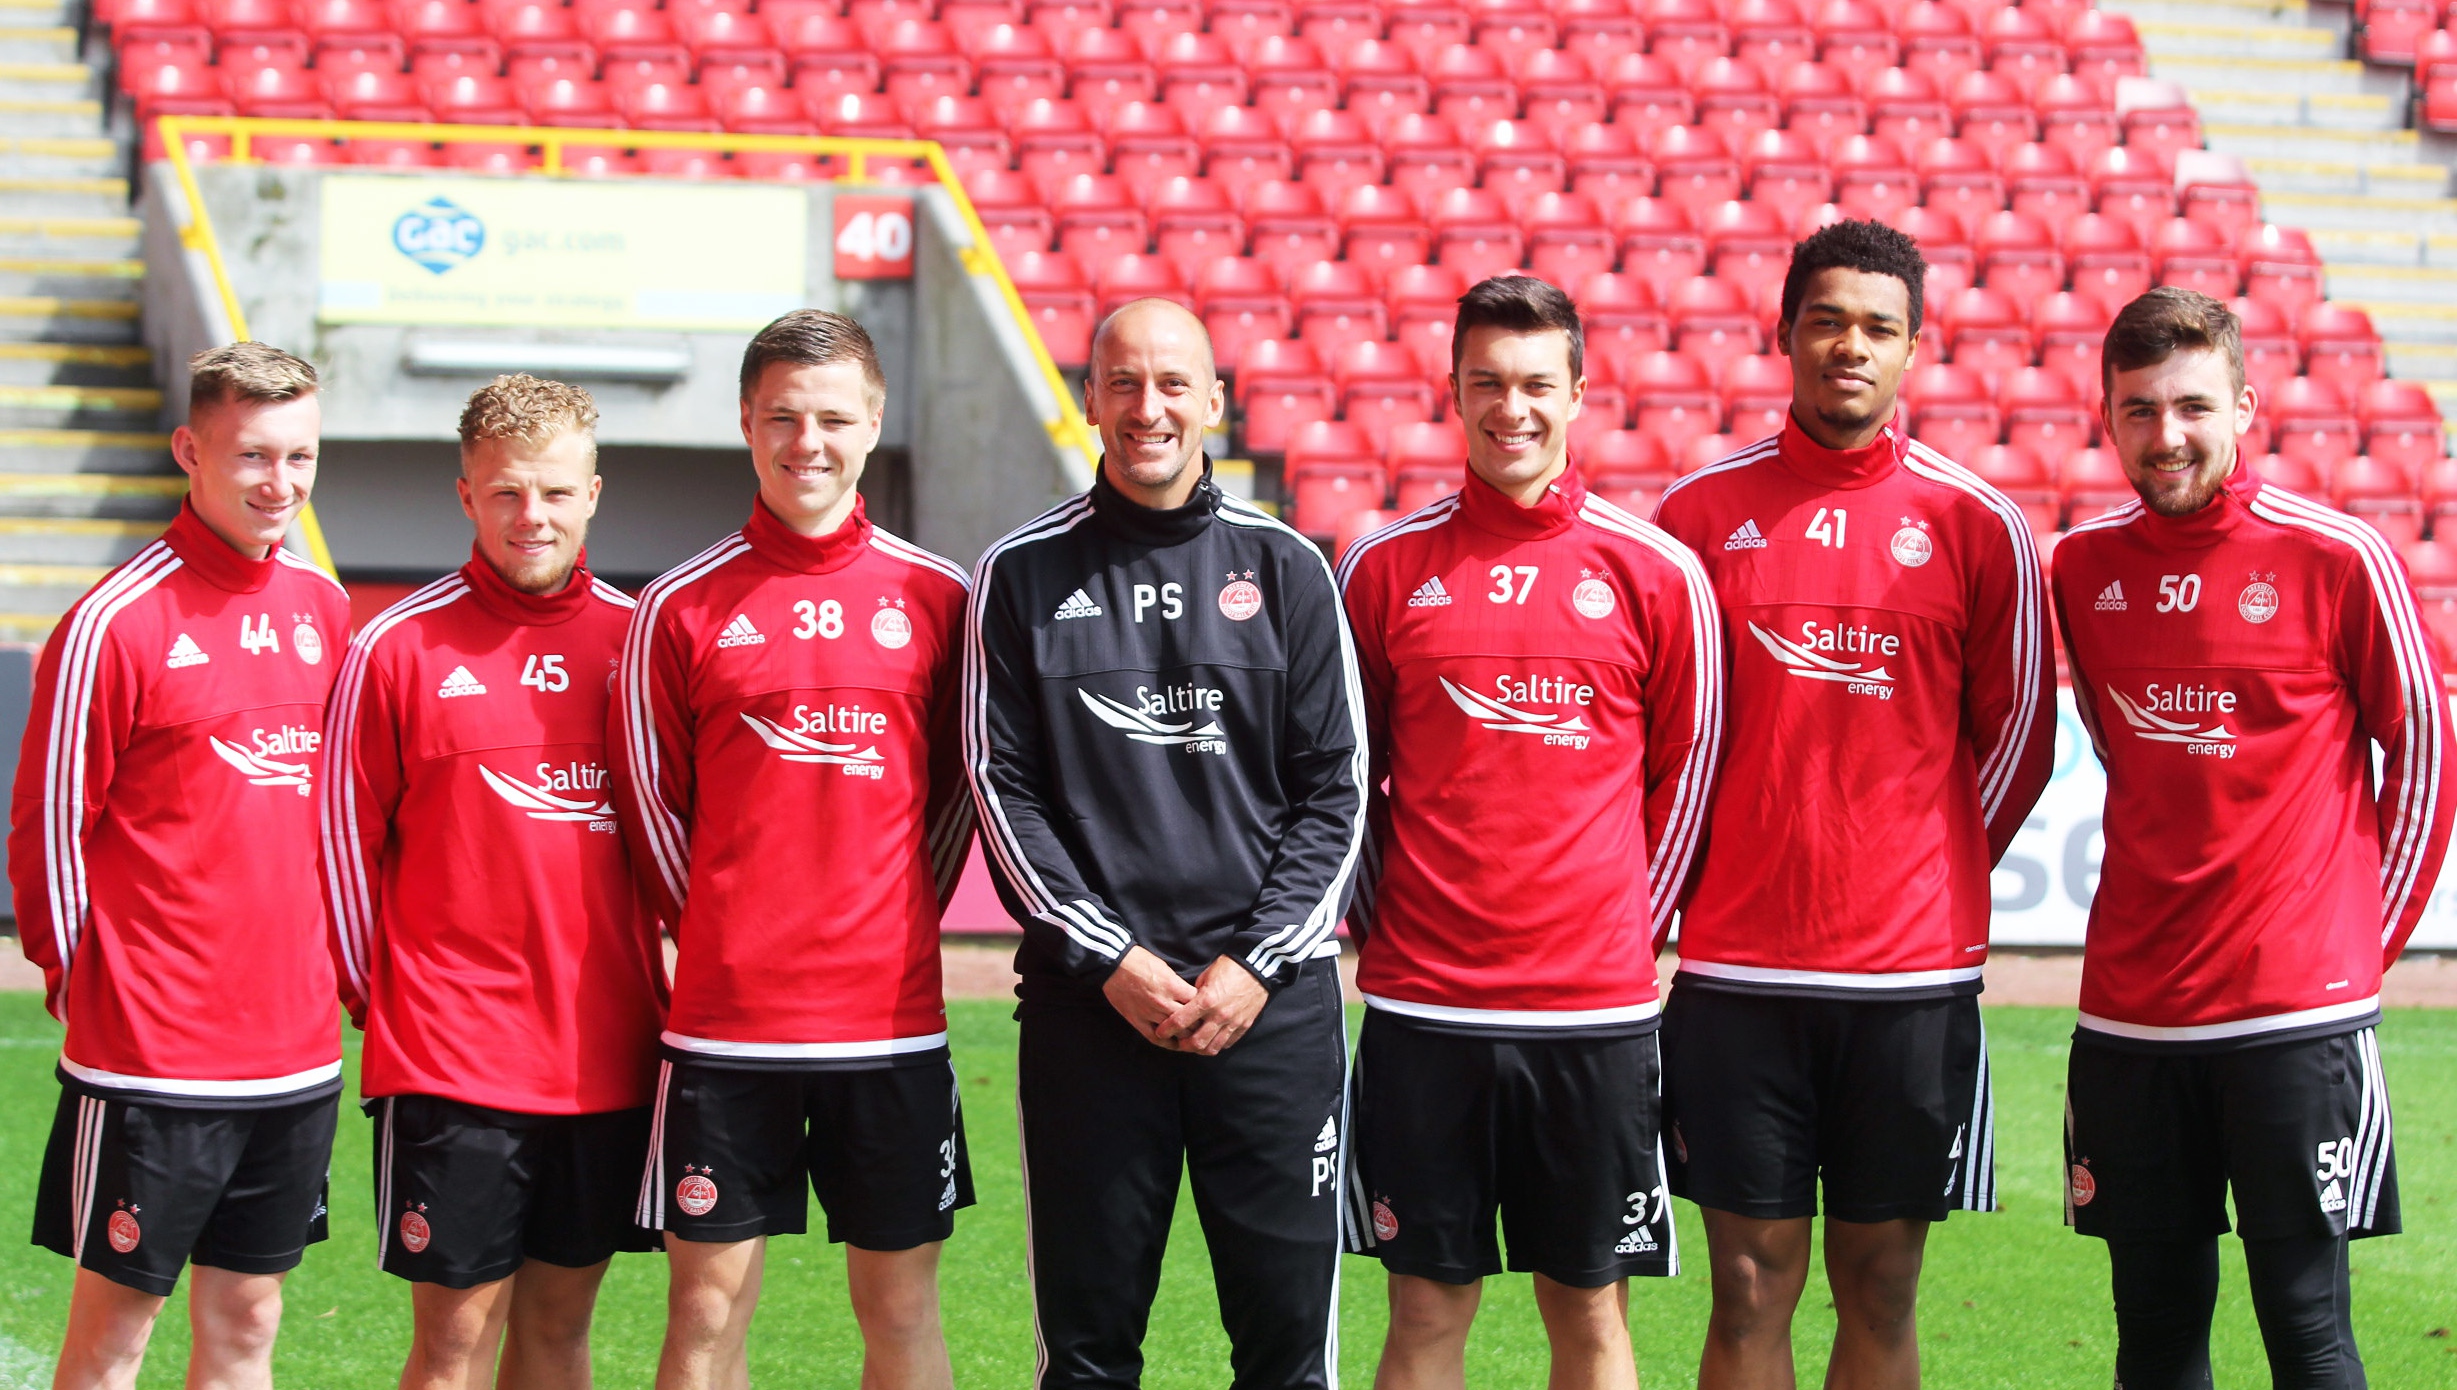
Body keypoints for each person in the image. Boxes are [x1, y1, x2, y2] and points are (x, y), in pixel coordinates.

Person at [1651, 220, 2055, 1389]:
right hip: (1740, 972)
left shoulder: (1979, 523)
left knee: (1881, 1284)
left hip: (1910, 981)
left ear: (1914, 348)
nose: (1850, 346)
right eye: (1826, 321)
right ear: (1784, 333)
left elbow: (2021, 739)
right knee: (1746, 1286)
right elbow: (1659, 740)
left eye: (1879, 327)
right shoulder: (1695, 516)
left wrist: (1922, 866)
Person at [2051, 288, 2453, 1390]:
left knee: (2308, 1336)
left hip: (2293, 1018)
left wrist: (2358, 949)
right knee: (2154, 1342)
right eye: (2139, 409)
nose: (2167, 435)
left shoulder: (2337, 556)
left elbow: (2426, 753)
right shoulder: (2080, 569)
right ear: (2107, 415)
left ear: (2244, 406)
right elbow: (2126, 752)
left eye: (2192, 406)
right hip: (2131, 1016)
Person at [964, 298, 1366, 1390]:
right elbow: (1003, 791)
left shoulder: (1287, 568)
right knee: (1087, 1361)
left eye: (1174, 383)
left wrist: (1254, 966)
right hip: (1091, 1015)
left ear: (1214, 402)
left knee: (1288, 1362)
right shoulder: (1020, 573)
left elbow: (1336, 793)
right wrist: (1112, 957)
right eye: (1125, 383)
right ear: (1090, 400)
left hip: (1269, 1017)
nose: (1149, 408)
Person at [1335, 275, 1724, 1390]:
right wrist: (1389, 922)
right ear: (1453, 392)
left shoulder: (1656, 572)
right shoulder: (1382, 569)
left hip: (1591, 1016)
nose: (1512, 408)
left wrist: (1621, 930)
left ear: (1579, 393)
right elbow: (1345, 784)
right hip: (1426, 1010)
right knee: (1424, 1315)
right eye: (1488, 383)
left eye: (1537, 384)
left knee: (1590, 1313)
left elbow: (1689, 775)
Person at [609, 310, 975, 1390]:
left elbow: (958, 799)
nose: (806, 442)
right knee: (705, 1310)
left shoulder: (939, 598)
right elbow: (652, 808)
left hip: (889, 1023)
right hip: (728, 1024)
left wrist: (892, 912)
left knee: (901, 1308)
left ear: (874, 421)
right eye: (781, 418)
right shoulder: (677, 605)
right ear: (745, 422)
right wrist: (728, 930)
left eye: (831, 418)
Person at [9, 341, 352, 1390]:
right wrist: (85, 984)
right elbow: (48, 829)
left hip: (294, 1051)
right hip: (154, 1055)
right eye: (252, 455)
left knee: (249, 1320)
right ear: (189, 451)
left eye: (300, 456)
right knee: (116, 1332)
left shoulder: (324, 607)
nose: (279, 483)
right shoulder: (113, 621)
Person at [321, 375, 666, 1390]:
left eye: (555, 492)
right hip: (452, 1061)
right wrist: (385, 1001)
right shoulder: (393, 647)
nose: (532, 516)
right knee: (454, 1344)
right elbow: (340, 849)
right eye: (507, 492)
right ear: (467, 494)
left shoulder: (643, 642)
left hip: (605, 1056)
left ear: (592, 494)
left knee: (560, 1332)